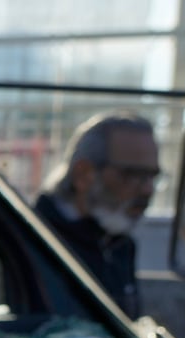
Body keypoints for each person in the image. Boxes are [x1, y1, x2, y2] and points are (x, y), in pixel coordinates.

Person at [33, 111, 161, 318]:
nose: (147, 190)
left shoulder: (119, 245)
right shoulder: (33, 239)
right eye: (132, 174)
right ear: (83, 174)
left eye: (152, 177)